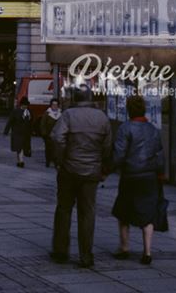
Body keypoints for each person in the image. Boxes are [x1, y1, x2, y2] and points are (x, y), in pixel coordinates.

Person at [49, 85, 111, 268]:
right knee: (87, 213)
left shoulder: (68, 115)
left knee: (64, 209)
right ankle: (86, 255)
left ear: (75, 97)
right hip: (92, 171)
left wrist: (60, 160)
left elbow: (57, 138)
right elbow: (108, 146)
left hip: (69, 169)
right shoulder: (102, 117)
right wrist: (103, 167)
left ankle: (61, 251)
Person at [111, 94, 164, 266]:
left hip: (131, 175)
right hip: (149, 176)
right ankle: (147, 251)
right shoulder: (153, 129)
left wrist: (108, 169)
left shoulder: (125, 128)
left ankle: (124, 247)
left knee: (123, 210)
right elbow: (159, 154)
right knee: (147, 214)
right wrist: (160, 173)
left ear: (128, 110)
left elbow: (119, 154)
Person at [4, 96, 33, 167]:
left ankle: (19, 161)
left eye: (26, 105)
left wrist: (32, 131)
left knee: (22, 147)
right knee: (19, 147)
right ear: (21, 105)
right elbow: (10, 121)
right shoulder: (16, 111)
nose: (25, 106)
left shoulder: (29, 112)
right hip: (17, 132)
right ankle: (21, 161)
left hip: (26, 133)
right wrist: (6, 131)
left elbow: (31, 122)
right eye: (24, 105)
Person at [39, 98, 62, 168]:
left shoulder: (61, 113)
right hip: (48, 135)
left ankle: (56, 162)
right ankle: (48, 161)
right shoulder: (47, 113)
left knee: (57, 149)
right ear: (51, 105)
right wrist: (44, 134)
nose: (54, 106)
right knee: (48, 149)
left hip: (57, 135)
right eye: (53, 104)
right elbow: (42, 124)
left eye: (56, 105)